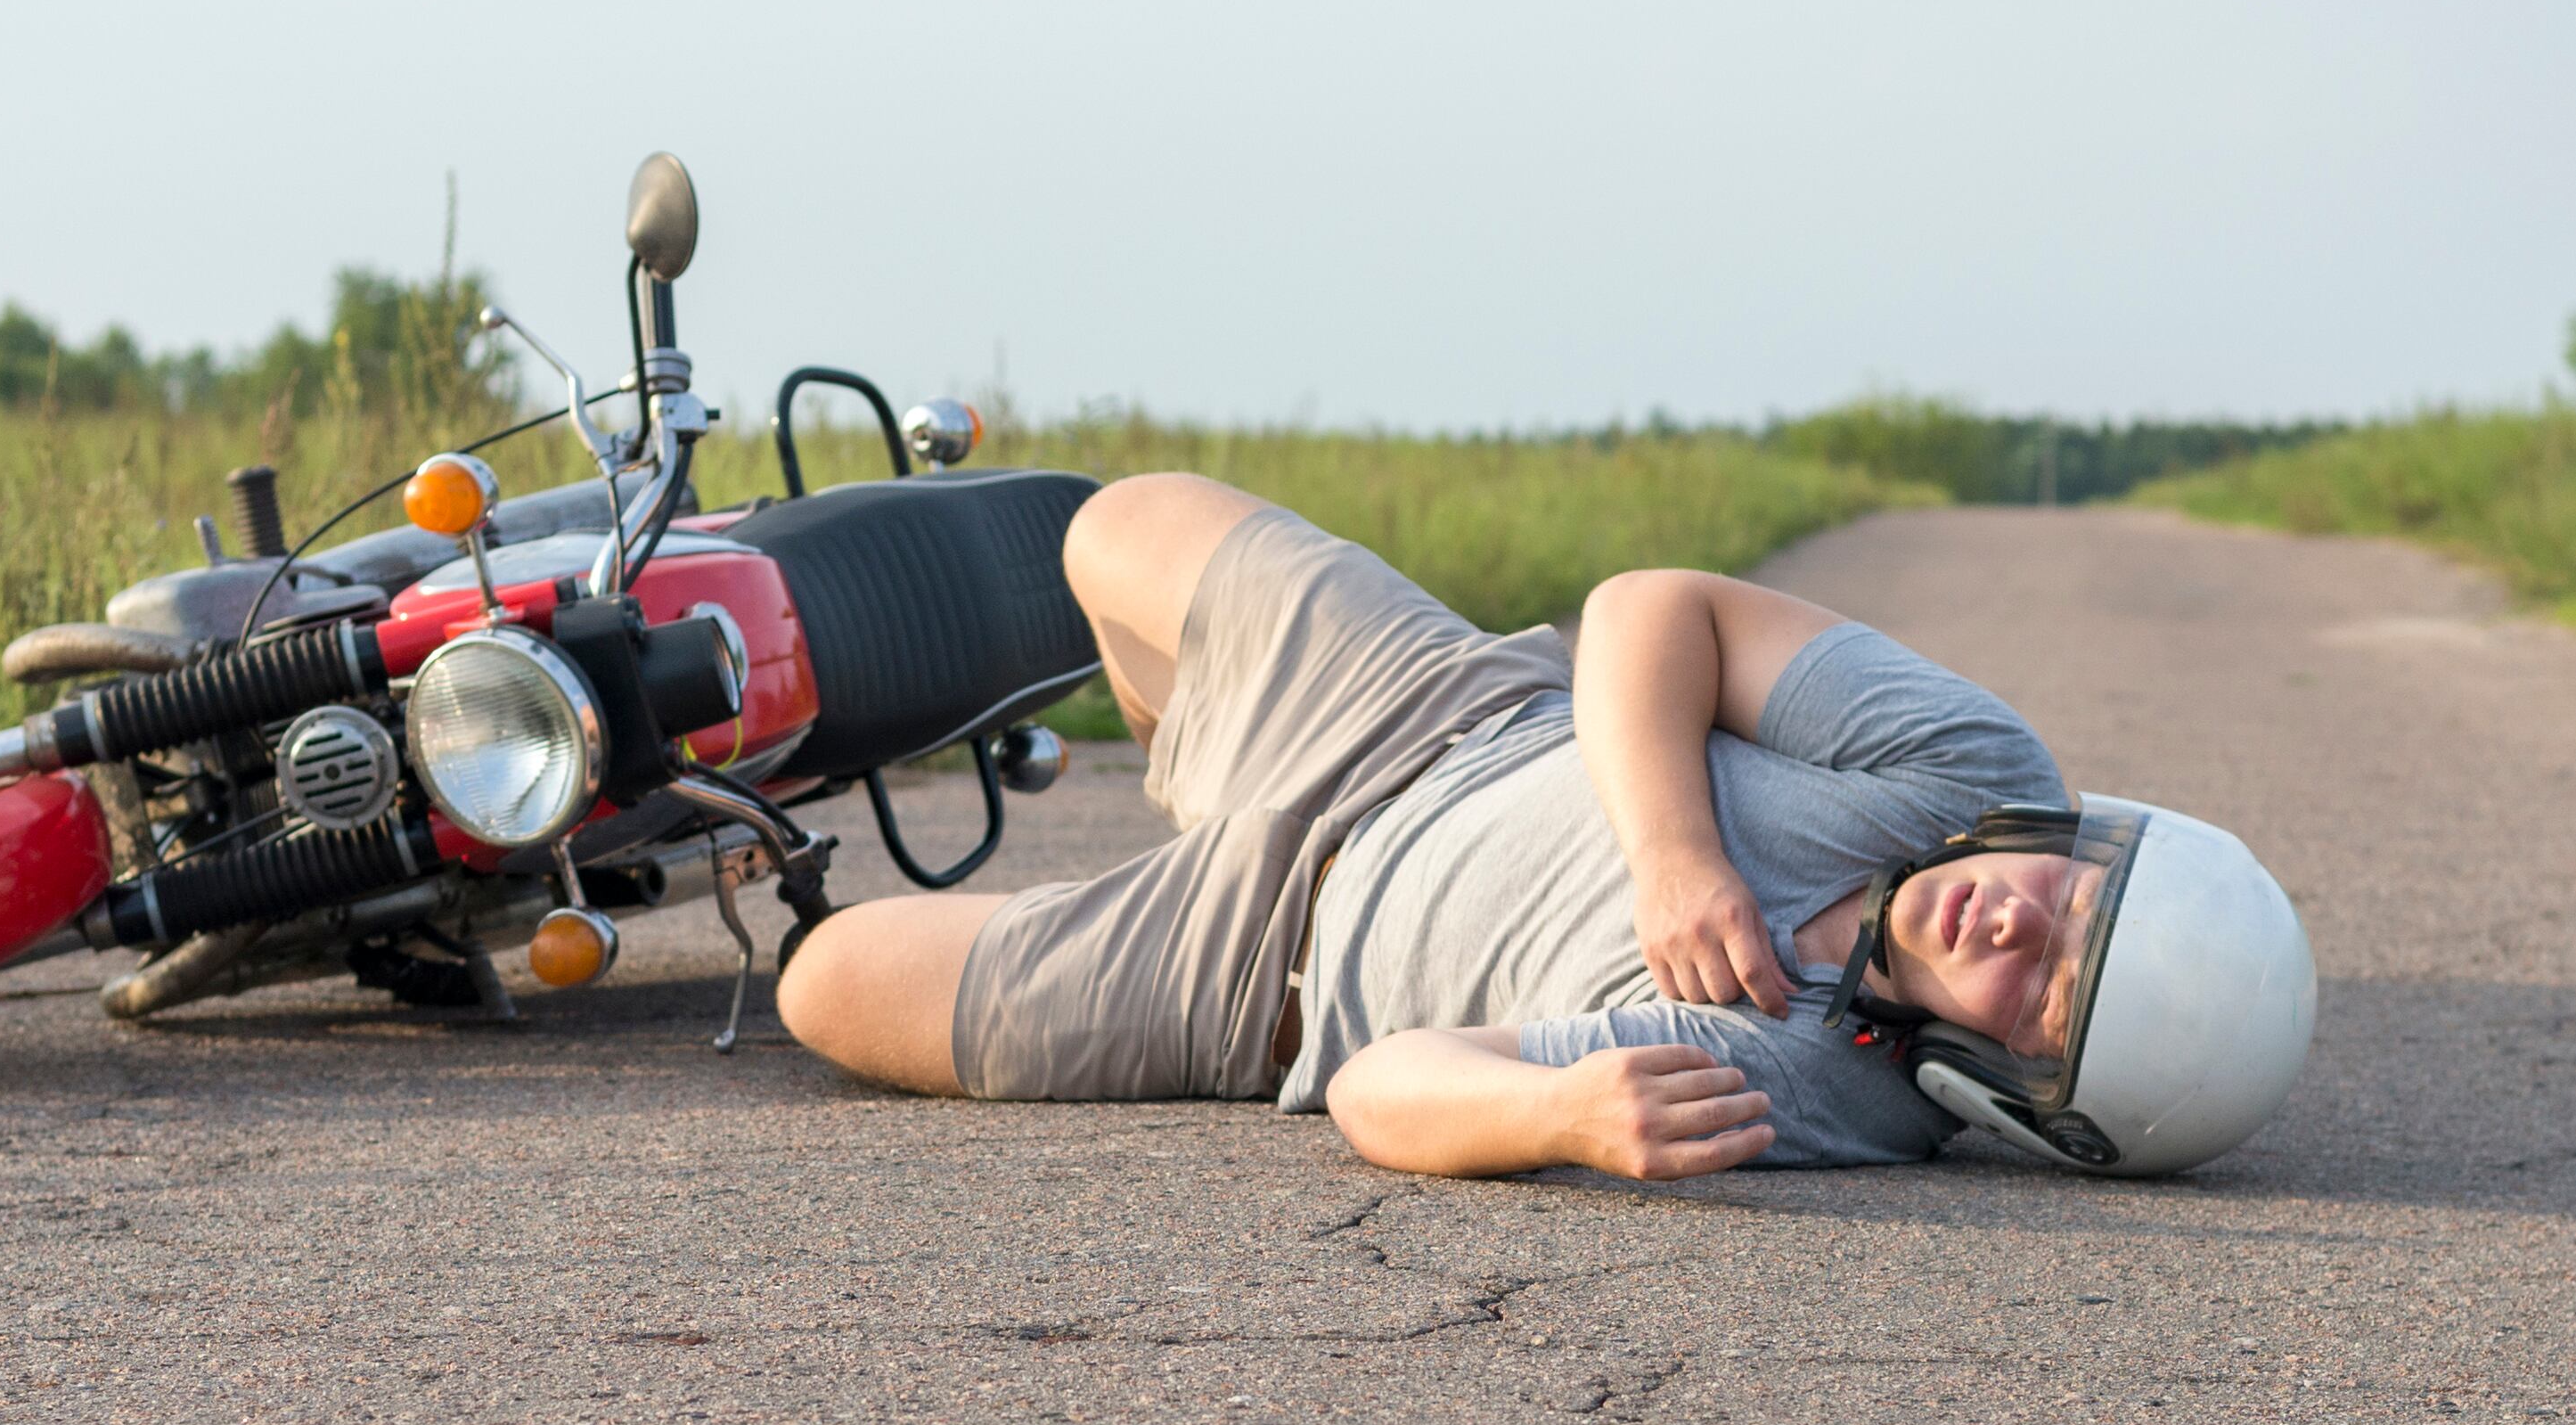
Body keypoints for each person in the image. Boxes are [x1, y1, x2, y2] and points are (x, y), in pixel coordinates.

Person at [776, 474, 2314, 1182]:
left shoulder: (1821, 1091)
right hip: (1433, 706)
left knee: (825, 983)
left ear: (2019, 1098)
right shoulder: (1973, 769)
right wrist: (1675, 854)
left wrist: (1559, 1118)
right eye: (2077, 897)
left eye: (2045, 988)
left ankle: (1196, 830)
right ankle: (1197, 766)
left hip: (1259, 972)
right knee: (1106, 523)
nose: (2018, 918)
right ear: (2094, 835)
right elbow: (1650, 610)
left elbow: (1388, 1085)